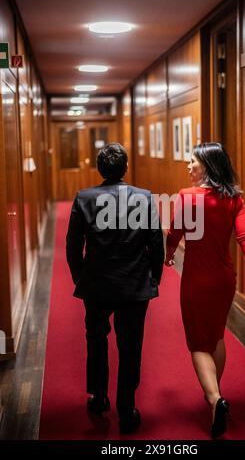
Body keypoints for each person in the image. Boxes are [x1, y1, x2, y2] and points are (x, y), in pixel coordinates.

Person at [165, 142, 245, 439]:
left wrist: (169, 254)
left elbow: (175, 232)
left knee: (198, 343)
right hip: (225, 279)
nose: (188, 167)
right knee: (217, 334)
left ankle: (214, 398)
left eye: (192, 162)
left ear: (207, 166)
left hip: (196, 279)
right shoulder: (233, 198)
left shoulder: (187, 197)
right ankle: (216, 396)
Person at [66, 142, 164, 434]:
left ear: (100, 169)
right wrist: (153, 278)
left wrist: (79, 277)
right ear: (126, 169)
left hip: (96, 284)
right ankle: (126, 407)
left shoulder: (84, 198)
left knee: (96, 339)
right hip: (134, 285)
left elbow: (73, 246)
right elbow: (155, 244)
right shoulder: (143, 197)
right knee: (130, 347)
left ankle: (98, 397)